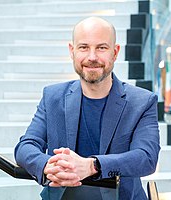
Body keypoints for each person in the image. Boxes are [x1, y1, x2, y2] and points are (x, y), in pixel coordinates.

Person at [14, 17, 160, 200]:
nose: (92, 57)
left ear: (115, 53)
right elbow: (25, 146)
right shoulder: (53, 96)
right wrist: (47, 165)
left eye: (101, 48)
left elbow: (146, 158)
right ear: (72, 51)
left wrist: (92, 166)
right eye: (83, 47)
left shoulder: (142, 101)